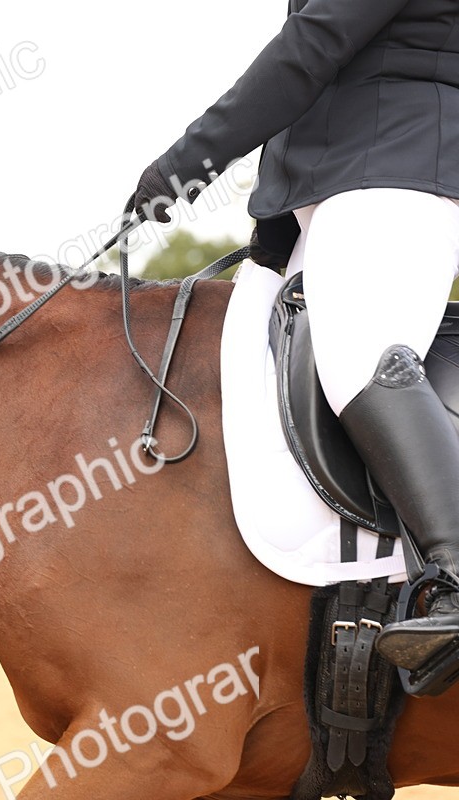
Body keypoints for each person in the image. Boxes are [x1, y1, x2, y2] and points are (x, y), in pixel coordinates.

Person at [132, 0, 459, 683]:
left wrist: (188, 162)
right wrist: (276, 235)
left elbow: (311, 48)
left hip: (403, 167)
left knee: (359, 357)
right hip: (349, 183)